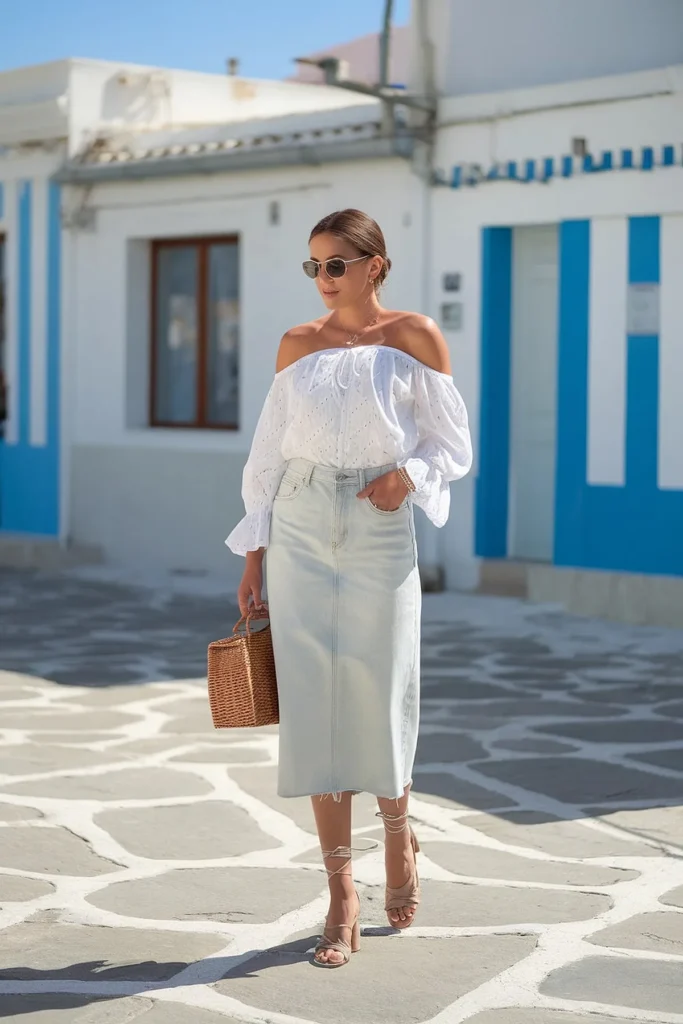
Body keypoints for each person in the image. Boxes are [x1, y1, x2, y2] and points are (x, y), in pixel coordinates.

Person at [226, 208, 472, 967]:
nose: (324, 279)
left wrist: (410, 476)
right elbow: (268, 456)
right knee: (315, 702)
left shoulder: (414, 336)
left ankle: (397, 834)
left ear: (374, 265)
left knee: (382, 687)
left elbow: (451, 443)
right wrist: (253, 553)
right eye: (314, 266)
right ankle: (340, 892)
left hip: (377, 522)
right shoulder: (297, 344)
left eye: (336, 263)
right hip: (299, 524)